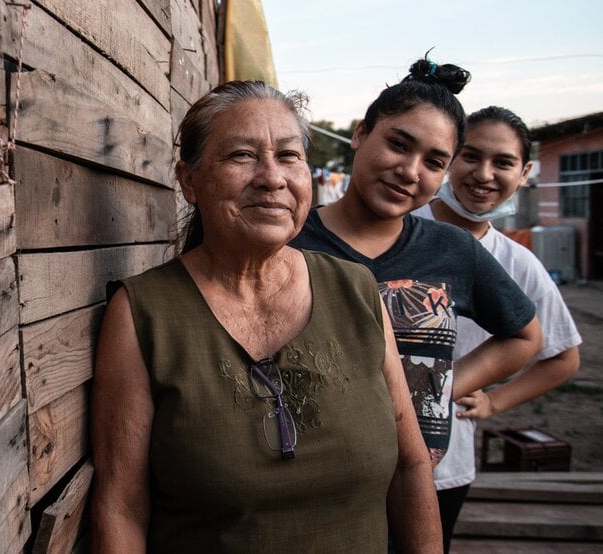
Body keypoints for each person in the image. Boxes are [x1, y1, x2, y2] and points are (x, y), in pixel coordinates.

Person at [90, 80, 442, 553]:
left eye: (289, 156)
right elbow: (122, 506)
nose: (272, 178)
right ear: (190, 180)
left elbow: (411, 467)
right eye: (242, 155)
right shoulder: (144, 313)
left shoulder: (356, 290)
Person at [290, 57, 544, 473]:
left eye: (433, 162)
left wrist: (439, 387)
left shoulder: (453, 249)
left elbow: (525, 337)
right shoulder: (291, 241)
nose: (409, 171)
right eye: (398, 145)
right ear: (360, 134)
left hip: (413, 484)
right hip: (306, 479)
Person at [414, 105, 581, 552]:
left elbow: (563, 357)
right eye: (470, 156)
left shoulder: (517, 263)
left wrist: (492, 401)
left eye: (503, 162)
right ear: (449, 157)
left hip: (442, 463)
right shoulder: (399, 226)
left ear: (525, 172)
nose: (483, 174)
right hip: (356, 442)